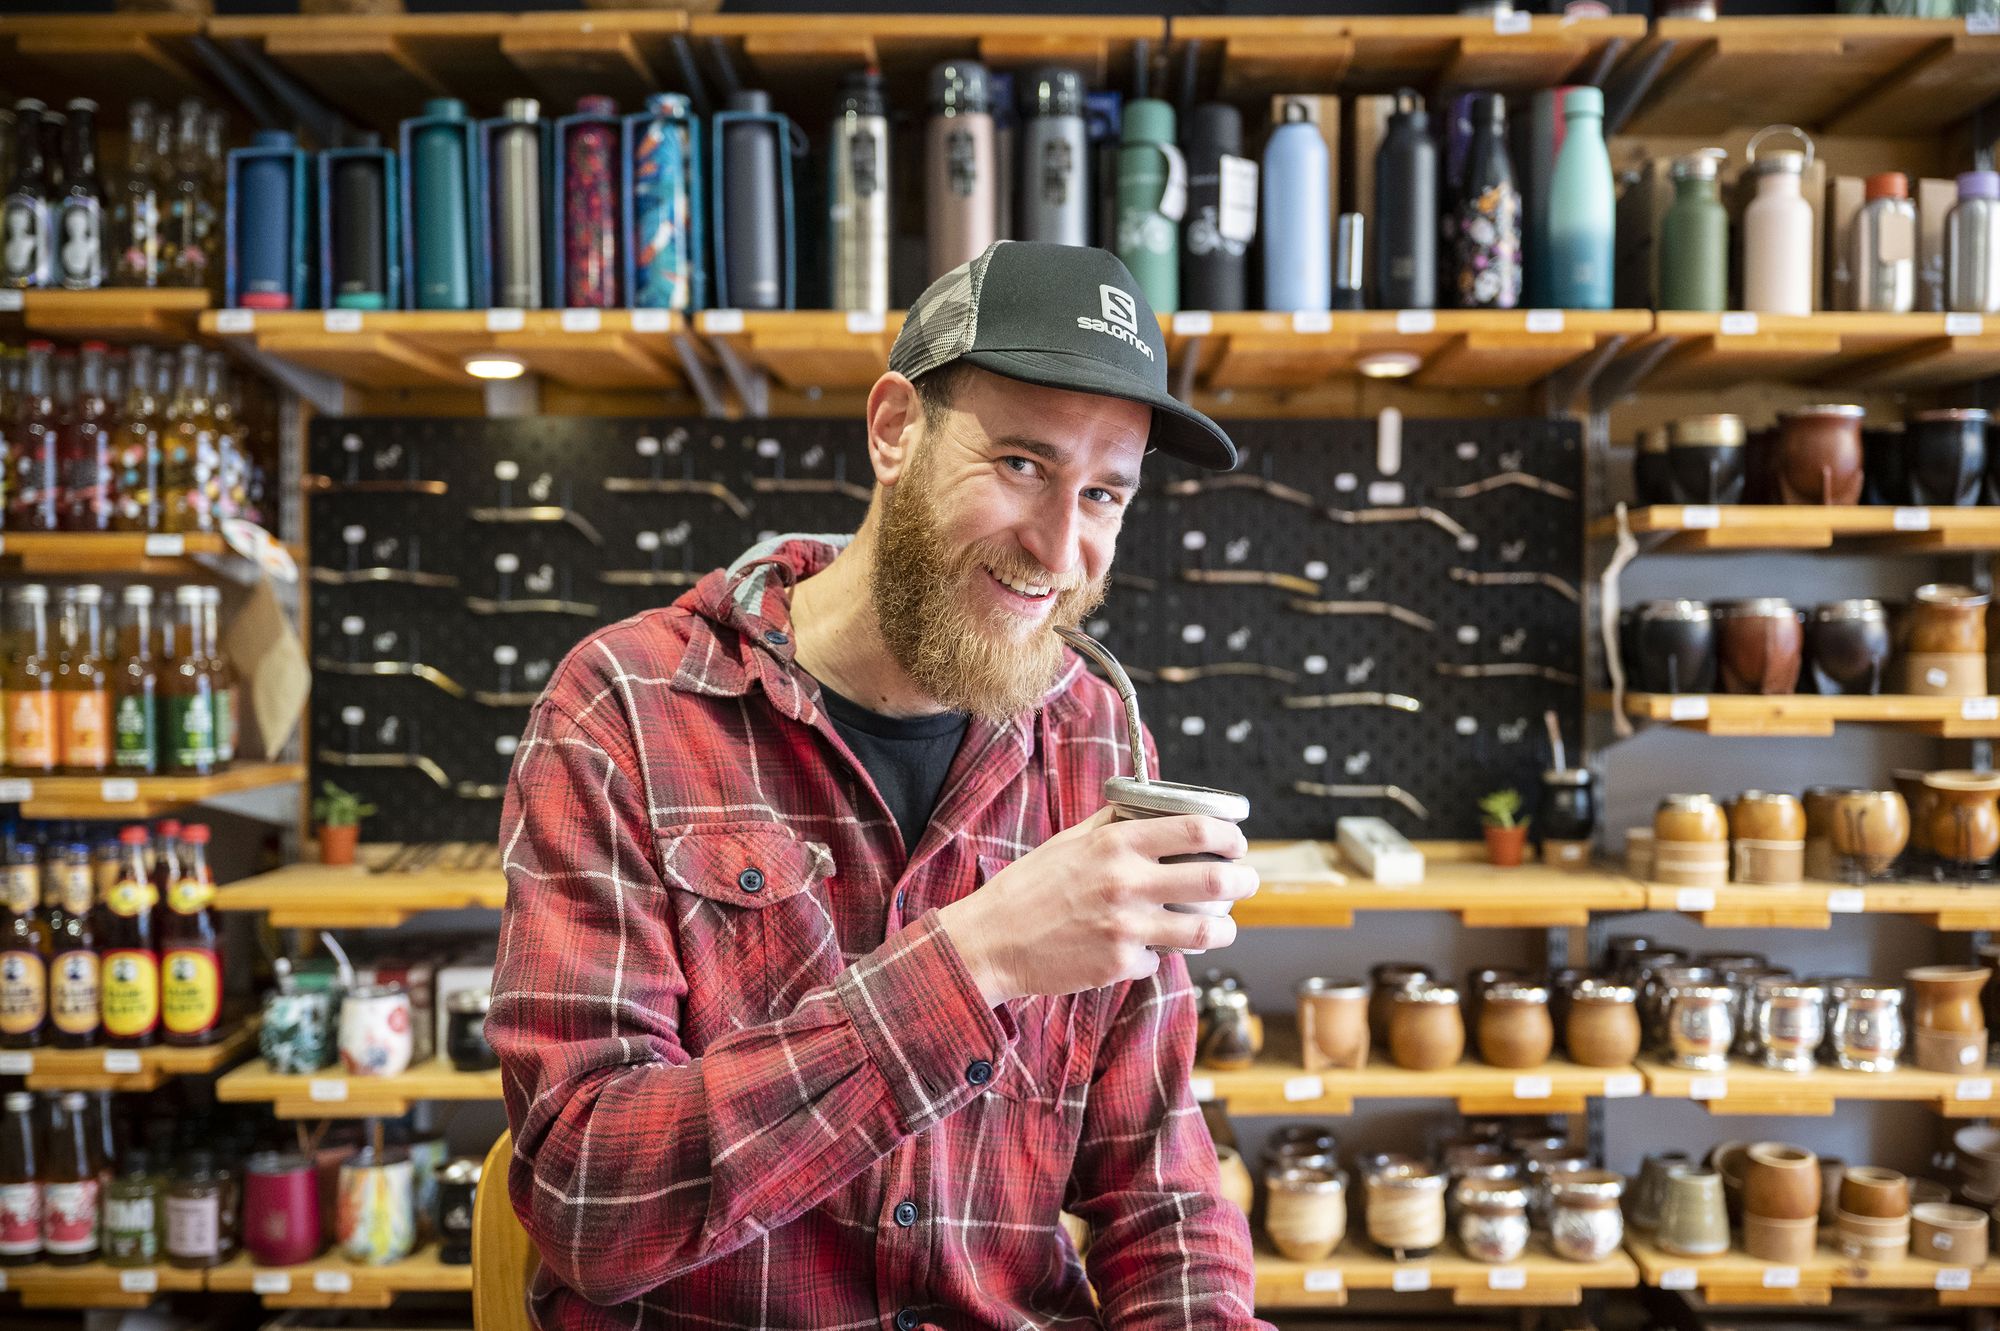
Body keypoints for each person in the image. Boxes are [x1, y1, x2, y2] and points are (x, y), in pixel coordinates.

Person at [490, 241, 1270, 1330]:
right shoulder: (626, 706)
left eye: (1102, 493)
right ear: (895, 427)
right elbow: (587, 1203)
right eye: (1020, 465)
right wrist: (973, 959)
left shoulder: (1095, 733)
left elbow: (1160, 1188)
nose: (1059, 545)